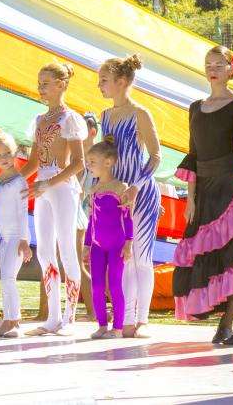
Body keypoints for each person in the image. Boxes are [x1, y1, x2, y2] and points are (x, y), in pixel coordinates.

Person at [173, 45, 233, 346]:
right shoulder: (195, 107)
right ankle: (228, 324)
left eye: (218, 64)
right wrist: (190, 199)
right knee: (217, 258)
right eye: (208, 64)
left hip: (229, 188)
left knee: (228, 258)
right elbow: (193, 154)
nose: (212, 69)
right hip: (204, 190)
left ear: (230, 69)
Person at [20, 62, 88, 337]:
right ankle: (52, 318)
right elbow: (33, 162)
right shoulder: (39, 120)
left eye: (45, 84)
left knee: (67, 249)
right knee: (45, 251)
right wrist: (10, 181)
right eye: (39, 83)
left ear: (61, 85)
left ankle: (69, 318)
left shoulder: (69, 118)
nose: (40, 88)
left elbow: (79, 163)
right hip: (42, 188)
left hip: (62, 188)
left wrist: (48, 183)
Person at [98, 54, 162, 338]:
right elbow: (106, 158)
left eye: (104, 80)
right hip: (116, 195)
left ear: (121, 81)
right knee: (123, 258)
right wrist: (100, 189)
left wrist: (136, 186)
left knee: (141, 258)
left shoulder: (140, 113)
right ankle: (125, 319)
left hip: (141, 192)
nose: (100, 85)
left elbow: (155, 157)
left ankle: (143, 319)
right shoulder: (105, 116)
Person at [0, 128, 33, 338]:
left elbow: (23, 212)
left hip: (18, 236)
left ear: (15, 153)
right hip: (5, 237)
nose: (3, 158)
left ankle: (14, 323)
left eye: (7, 153)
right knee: (5, 279)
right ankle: (8, 321)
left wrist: (24, 241)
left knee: (8, 278)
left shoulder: (19, 181)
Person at [83, 137, 133, 339]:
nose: (89, 166)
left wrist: (128, 244)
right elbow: (91, 221)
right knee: (96, 286)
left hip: (116, 245)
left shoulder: (121, 187)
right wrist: (87, 245)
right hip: (97, 246)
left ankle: (118, 328)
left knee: (114, 285)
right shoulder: (93, 190)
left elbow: (128, 218)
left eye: (92, 162)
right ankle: (102, 325)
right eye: (88, 162)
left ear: (108, 162)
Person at [75, 112, 99, 319]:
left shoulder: (95, 161)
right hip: (81, 215)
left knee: (80, 265)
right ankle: (94, 310)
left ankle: (95, 310)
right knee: (76, 264)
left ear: (92, 132)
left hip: (85, 217)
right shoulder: (78, 158)